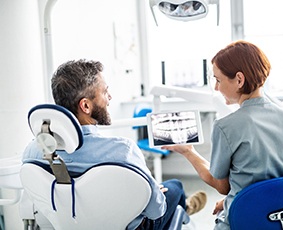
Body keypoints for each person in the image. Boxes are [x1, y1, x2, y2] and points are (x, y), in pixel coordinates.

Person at [22, 59, 207, 230]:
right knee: (174, 188)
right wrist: (151, 192)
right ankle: (185, 207)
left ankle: (184, 206)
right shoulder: (123, 151)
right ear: (85, 106)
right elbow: (155, 211)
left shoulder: (33, 152)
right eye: (104, 91)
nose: (110, 97)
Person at [162, 40, 283, 229]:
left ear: (239, 79)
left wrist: (188, 152)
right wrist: (233, 201)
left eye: (218, 80)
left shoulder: (226, 126)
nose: (216, 88)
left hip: (248, 221)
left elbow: (222, 186)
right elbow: (274, 180)